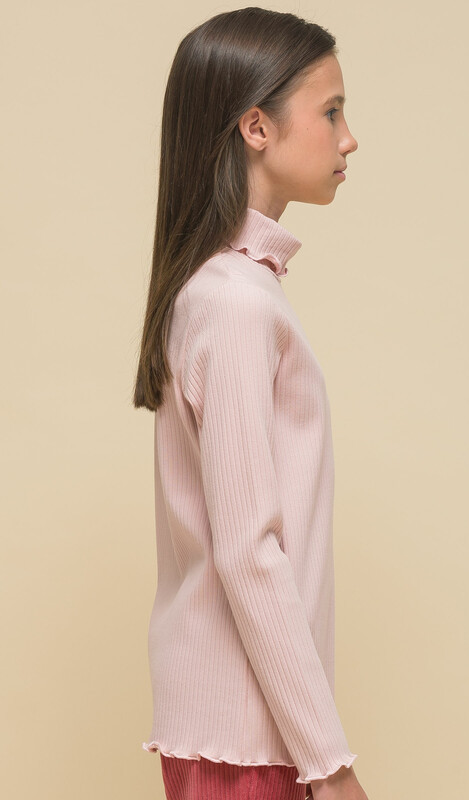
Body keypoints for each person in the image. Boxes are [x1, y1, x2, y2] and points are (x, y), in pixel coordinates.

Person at [133, 7, 367, 800]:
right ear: (256, 127)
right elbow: (247, 551)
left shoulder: (229, 289)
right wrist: (329, 765)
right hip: (245, 740)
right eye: (331, 112)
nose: (349, 139)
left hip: (244, 730)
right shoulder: (234, 302)